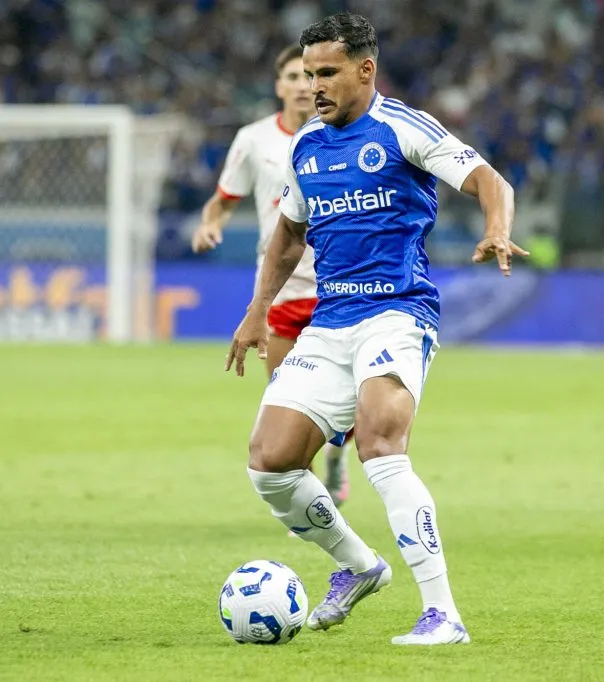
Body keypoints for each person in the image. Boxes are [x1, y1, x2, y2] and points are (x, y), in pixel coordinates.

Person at [225, 13, 528, 645]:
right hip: (329, 319)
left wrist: (496, 226)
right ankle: (359, 567)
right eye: (308, 75)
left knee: (381, 448)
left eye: (327, 73)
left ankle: (443, 613)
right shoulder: (307, 145)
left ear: (366, 69)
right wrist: (258, 308)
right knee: (269, 462)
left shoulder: (401, 127)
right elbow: (289, 232)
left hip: (396, 312)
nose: (314, 87)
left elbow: (488, 180)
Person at [193, 45, 351, 505]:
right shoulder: (255, 139)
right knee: (291, 401)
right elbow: (223, 200)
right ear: (279, 86)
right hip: (280, 290)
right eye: (293, 76)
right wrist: (210, 225)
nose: (303, 85)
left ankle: (338, 456)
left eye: (309, 76)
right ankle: (314, 504)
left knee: (350, 401)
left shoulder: (344, 134)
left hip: (339, 288)